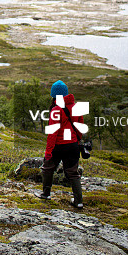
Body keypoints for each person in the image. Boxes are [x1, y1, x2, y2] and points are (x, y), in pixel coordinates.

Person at [35, 80, 84, 209]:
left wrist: (48, 151)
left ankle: (46, 194)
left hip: (58, 145)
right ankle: (78, 201)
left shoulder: (56, 110)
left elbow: (52, 133)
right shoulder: (76, 107)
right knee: (73, 173)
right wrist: (77, 141)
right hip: (72, 145)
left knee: (48, 168)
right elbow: (80, 127)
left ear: (54, 95)